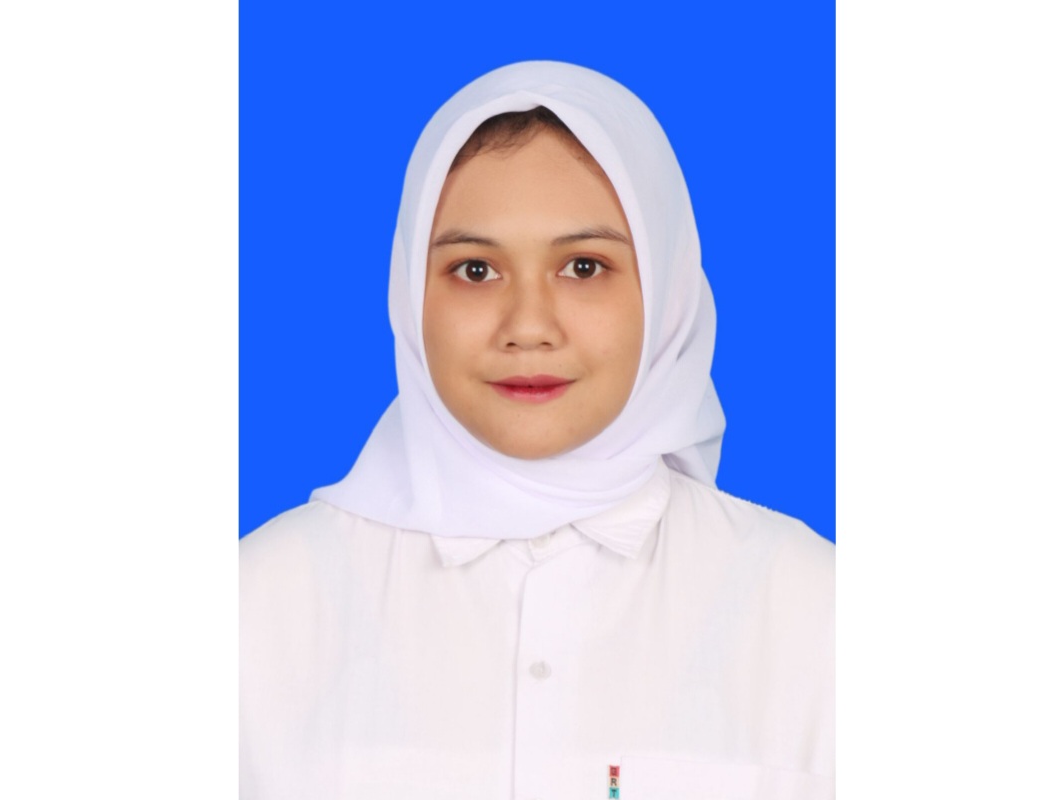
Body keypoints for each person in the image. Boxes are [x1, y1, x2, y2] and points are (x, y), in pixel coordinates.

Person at [240, 61, 834, 800]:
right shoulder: (255, 608)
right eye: (475, 271)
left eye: (583, 267)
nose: (528, 326)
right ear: (409, 292)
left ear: (667, 291)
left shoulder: (814, 610)